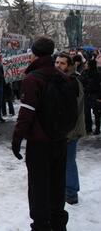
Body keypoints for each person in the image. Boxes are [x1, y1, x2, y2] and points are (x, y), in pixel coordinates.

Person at [12, 37, 72, 231]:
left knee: (38, 188)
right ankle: (58, 223)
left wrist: (17, 138)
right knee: (57, 184)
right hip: (60, 140)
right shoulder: (63, 77)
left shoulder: (33, 78)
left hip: (40, 143)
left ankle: (41, 226)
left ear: (34, 53)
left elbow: (26, 113)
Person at [55, 53, 87, 205]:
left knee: (68, 162)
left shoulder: (73, 82)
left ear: (69, 65)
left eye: (62, 63)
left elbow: (74, 111)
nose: (58, 65)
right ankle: (66, 190)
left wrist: (70, 132)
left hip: (71, 131)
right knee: (63, 162)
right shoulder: (60, 80)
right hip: (62, 130)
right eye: (57, 62)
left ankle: (72, 193)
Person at [80, 59, 101, 134]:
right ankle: (88, 128)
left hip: (95, 95)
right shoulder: (84, 73)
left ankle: (97, 129)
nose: (85, 65)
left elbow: (98, 86)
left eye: (87, 64)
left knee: (96, 113)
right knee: (87, 112)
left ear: (90, 65)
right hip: (87, 95)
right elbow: (81, 82)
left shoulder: (97, 74)